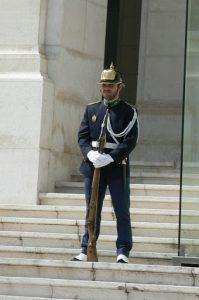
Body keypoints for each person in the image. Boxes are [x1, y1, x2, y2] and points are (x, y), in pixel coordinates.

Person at [73, 63, 139, 263]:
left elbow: (130, 140)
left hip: (116, 167)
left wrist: (111, 157)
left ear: (119, 87)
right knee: (92, 209)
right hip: (93, 166)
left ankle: (123, 250)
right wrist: (89, 154)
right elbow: (82, 137)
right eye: (103, 86)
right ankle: (86, 247)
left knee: (121, 210)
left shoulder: (129, 112)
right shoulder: (92, 109)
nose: (106, 89)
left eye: (110, 86)